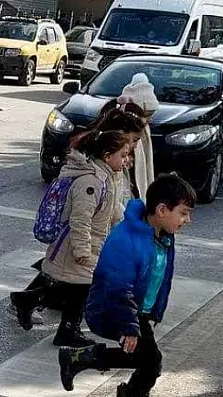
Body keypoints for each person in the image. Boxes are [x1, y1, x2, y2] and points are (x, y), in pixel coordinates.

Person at [58, 174, 196, 397]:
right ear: (162, 210)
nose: (187, 220)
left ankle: (78, 360)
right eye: (183, 213)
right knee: (149, 361)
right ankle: (79, 360)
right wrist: (129, 328)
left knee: (148, 361)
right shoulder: (127, 239)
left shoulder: (161, 234)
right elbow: (118, 287)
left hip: (135, 308)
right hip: (113, 307)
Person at [10, 106, 146, 329]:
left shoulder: (108, 172)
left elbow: (111, 207)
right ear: (110, 150)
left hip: (91, 240)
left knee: (75, 283)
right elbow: (81, 218)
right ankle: (45, 312)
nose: (131, 151)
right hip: (81, 241)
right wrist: (83, 248)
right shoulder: (92, 179)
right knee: (76, 283)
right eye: (129, 145)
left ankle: (40, 308)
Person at [117, 74, 159, 199]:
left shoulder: (143, 128)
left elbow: (146, 163)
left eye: (151, 114)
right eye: (146, 115)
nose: (149, 119)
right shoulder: (126, 127)